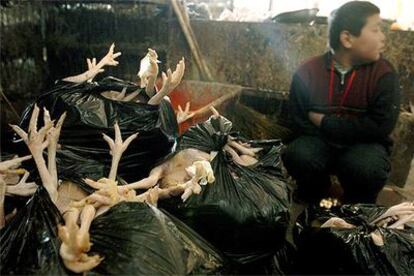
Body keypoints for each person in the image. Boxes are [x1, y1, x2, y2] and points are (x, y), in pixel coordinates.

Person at [282, 1, 400, 204]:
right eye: (375, 29)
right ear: (347, 39)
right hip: (319, 143)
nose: (383, 37)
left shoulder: (384, 74)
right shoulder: (308, 72)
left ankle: (358, 204)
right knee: (299, 154)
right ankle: (316, 192)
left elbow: (379, 127)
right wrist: (337, 134)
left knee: (366, 167)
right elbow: (298, 121)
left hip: (364, 147)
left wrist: (327, 123)